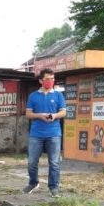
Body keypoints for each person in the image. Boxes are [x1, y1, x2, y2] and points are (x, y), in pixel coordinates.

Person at [24, 68, 66, 197]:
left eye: (52, 79)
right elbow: (28, 114)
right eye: (48, 79)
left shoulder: (58, 95)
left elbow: (63, 112)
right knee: (32, 162)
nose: (50, 81)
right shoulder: (33, 96)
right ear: (41, 80)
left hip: (54, 133)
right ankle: (33, 182)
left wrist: (54, 116)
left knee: (54, 162)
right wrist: (40, 115)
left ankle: (53, 187)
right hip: (36, 134)